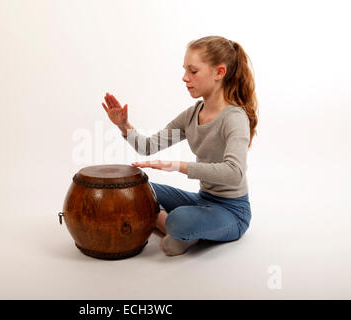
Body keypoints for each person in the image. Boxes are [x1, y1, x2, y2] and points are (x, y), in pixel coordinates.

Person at [102, 35, 258, 256]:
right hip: (203, 199)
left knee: (178, 219)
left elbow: (234, 173)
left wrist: (178, 166)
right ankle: (184, 234)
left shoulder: (235, 118)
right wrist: (123, 125)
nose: (185, 78)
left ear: (219, 72)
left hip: (233, 211)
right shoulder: (193, 114)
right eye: (185, 70)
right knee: (137, 190)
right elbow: (149, 146)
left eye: (193, 71)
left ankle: (176, 228)